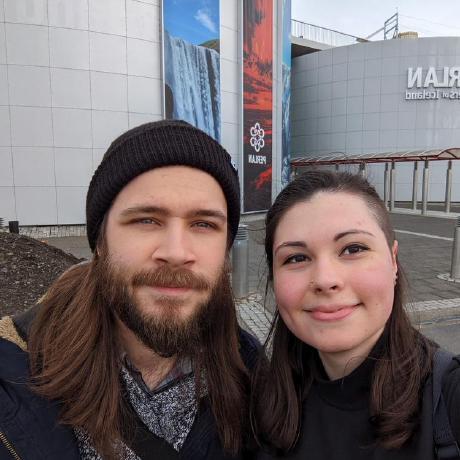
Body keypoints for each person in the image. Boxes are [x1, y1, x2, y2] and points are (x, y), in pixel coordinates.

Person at [0, 120, 258, 460]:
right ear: (100, 242)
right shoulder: (11, 375)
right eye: (146, 220)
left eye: (203, 224)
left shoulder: (255, 376)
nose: (177, 252)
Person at [251, 170, 460, 459]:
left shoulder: (449, 398)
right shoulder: (254, 400)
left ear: (393, 261)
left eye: (353, 248)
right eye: (296, 258)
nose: (325, 279)